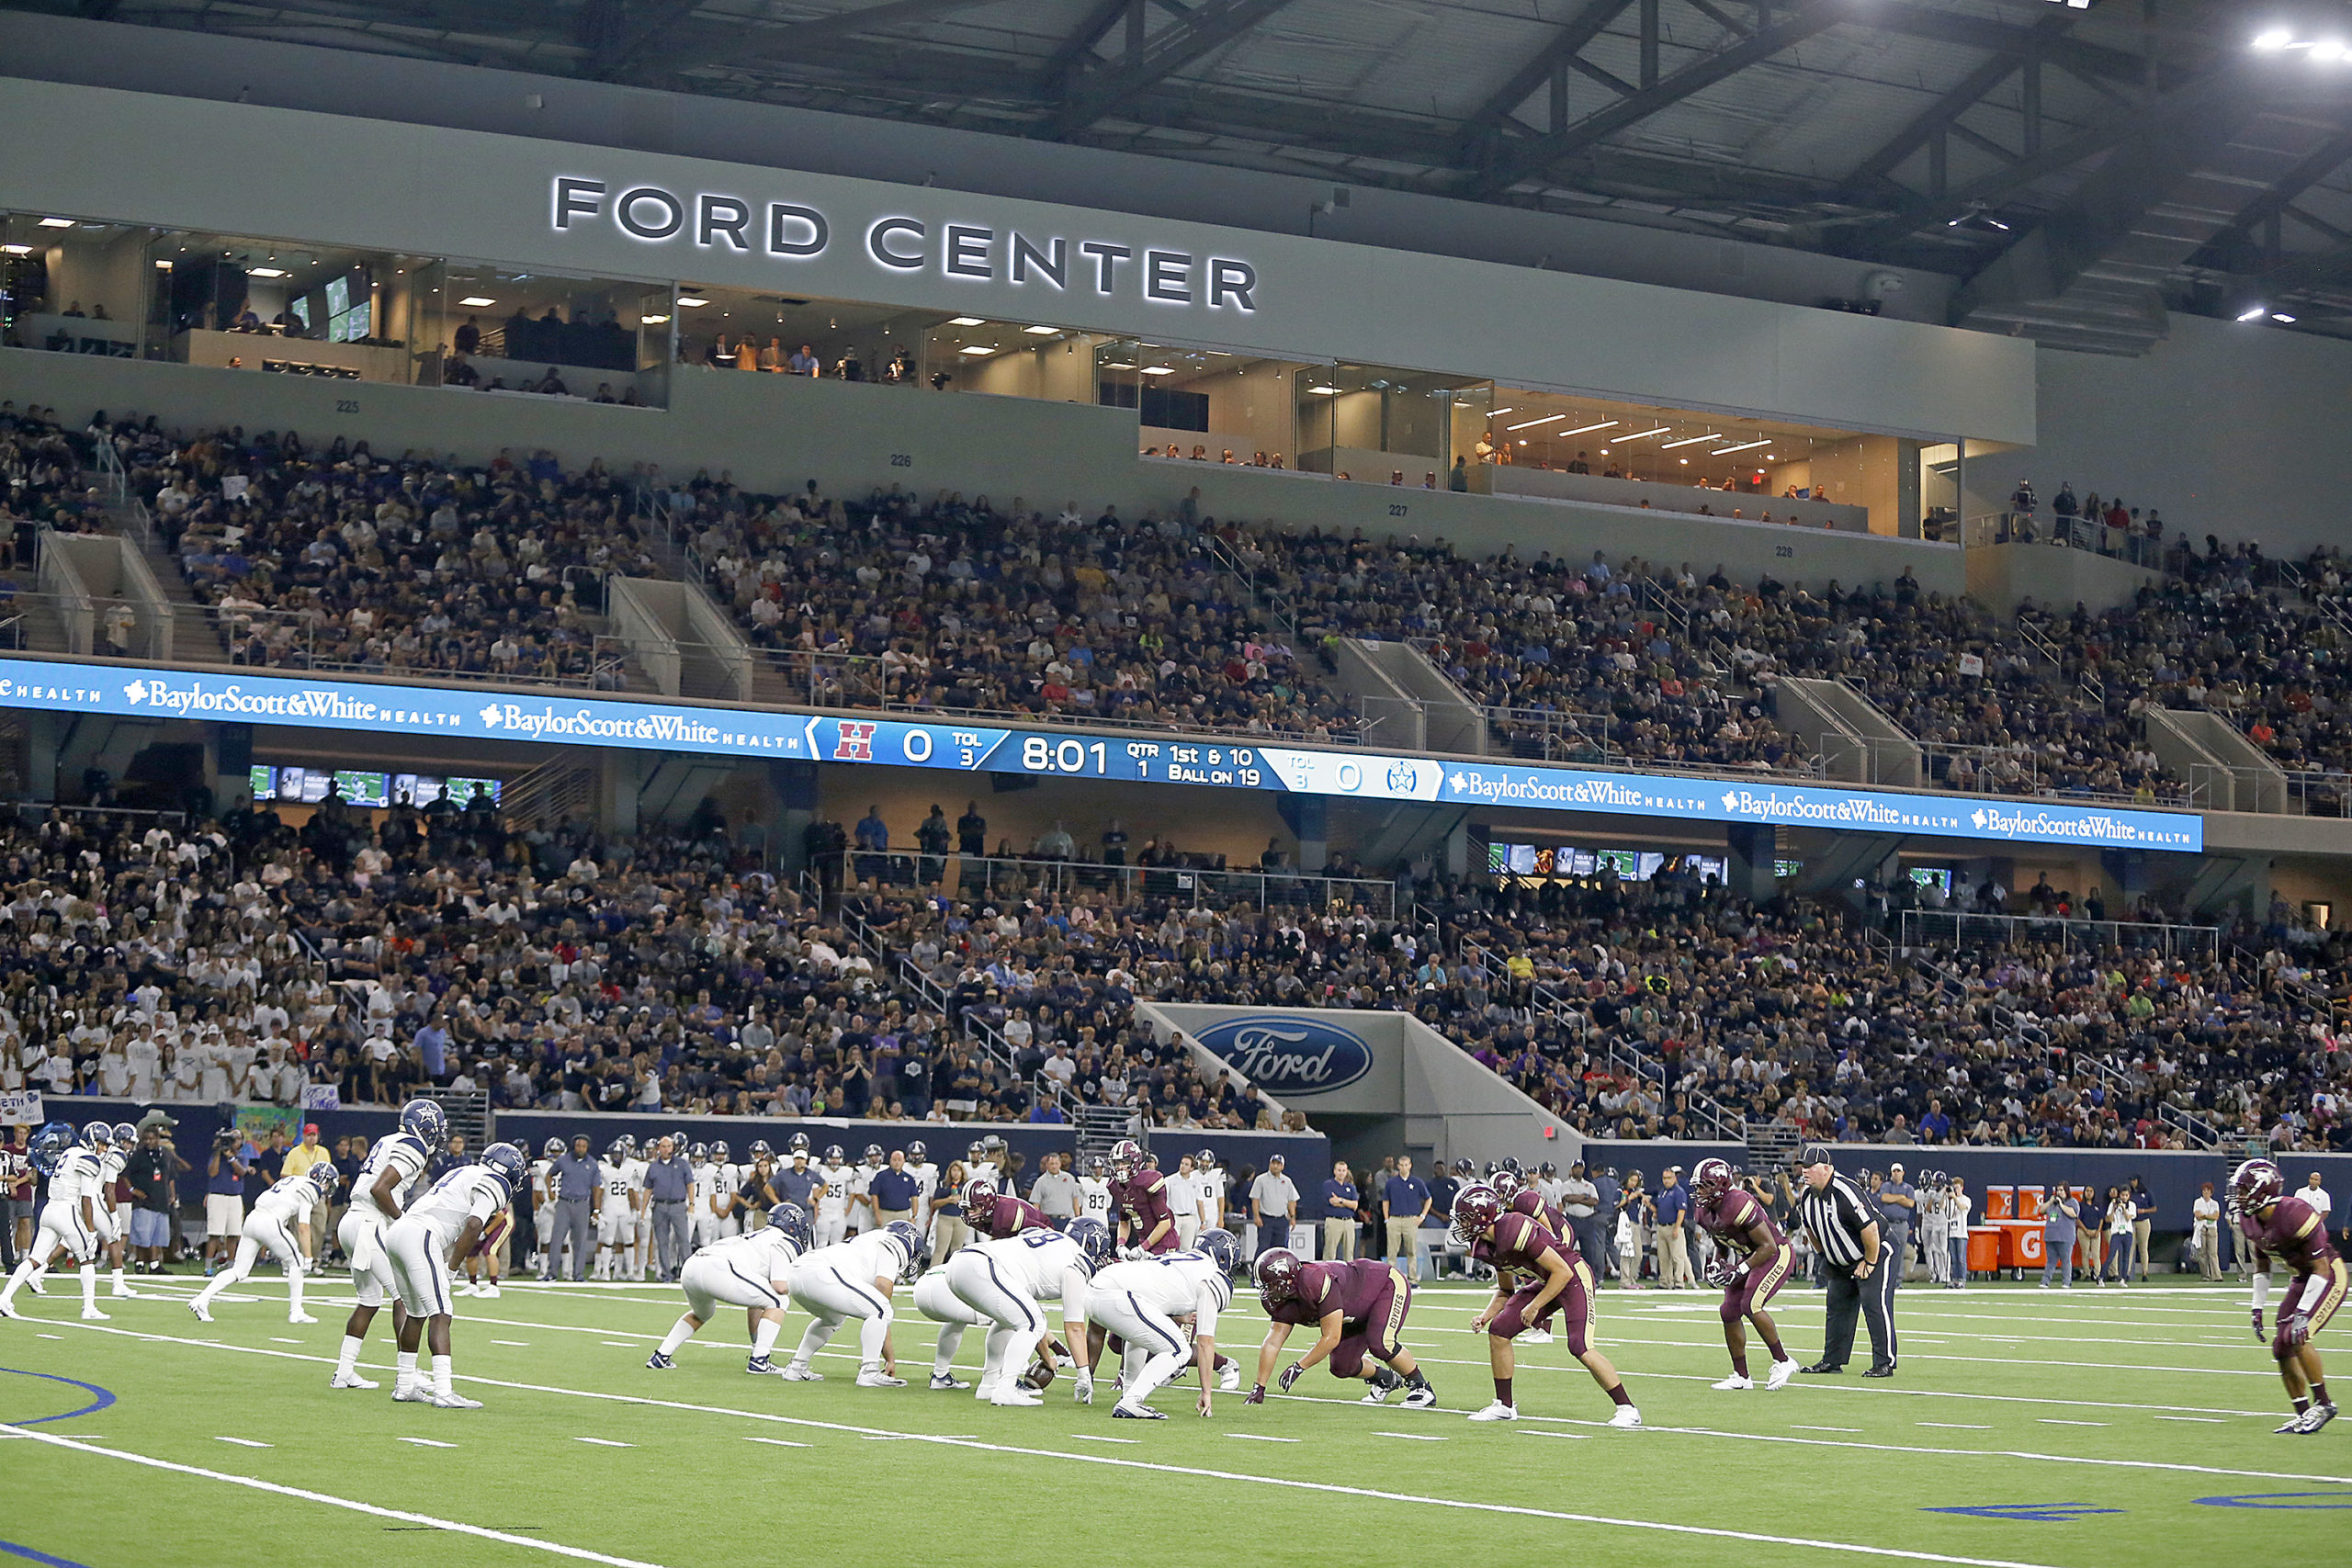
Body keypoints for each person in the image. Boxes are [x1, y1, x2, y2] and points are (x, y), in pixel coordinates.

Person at [1452, 1184, 1638, 1427]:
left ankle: (1627, 1408)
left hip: (1573, 1278)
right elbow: (1505, 1290)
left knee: (1579, 1346)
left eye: (1465, 1218)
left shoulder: (1515, 1227)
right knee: (1498, 1331)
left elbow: (1562, 1271)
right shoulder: (1486, 1246)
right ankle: (1504, 1406)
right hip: (1547, 1281)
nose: (1462, 1225)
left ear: (1484, 1216)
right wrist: (1485, 1316)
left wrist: (1534, 1306)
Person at [383, 1141, 526, 1409]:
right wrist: (452, 1267)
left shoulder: (463, 1171)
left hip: (399, 1232)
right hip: (421, 1235)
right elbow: (474, 1224)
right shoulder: (494, 1181)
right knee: (441, 1311)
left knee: (416, 1312)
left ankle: (404, 1386)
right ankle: (444, 1391)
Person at [330, 1100, 444, 1388]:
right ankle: (408, 1372)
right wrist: (401, 1219)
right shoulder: (413, 1146)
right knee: (406, 1297)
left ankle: (344, 1373)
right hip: (371, 1222)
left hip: (352, 1220)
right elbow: (380, 1189)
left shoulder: (388, 1139)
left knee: (368, 1300)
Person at [2233, 1157, 2346, 1434]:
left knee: (2297, 1334)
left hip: (2327, 1275)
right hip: (2301, 1276)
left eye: (2245, 1190)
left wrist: (2304, 1313)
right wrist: (2256, 1308)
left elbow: (2320, 1268)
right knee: (2280, 1346)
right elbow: (2261, 1264)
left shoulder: (2295, 1213)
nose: (2239, 1196)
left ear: (2263, 1190)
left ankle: (2324, 1404)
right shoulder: (2250, 1219)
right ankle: (2304, 1413)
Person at [944, 1216, 1110, 1406]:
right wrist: (1084, 1374)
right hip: (982, 1266)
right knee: (1034, 1323)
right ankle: (1006, 1388)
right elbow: (1074, 1327)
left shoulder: (1052, 1240)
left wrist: (1046, 1357)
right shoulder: (1077, 1260)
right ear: (1090, 1244)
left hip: (962, 1263)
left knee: (1011, 1321)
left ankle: (989, 1385)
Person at [1084, 1229, 1241, 1418]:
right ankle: (1131, 1400)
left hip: (1097, 1289)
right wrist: (1206, 1392)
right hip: (1118, 1295)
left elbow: (1157, 1292)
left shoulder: (1183, 1258)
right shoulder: (1213, 1276)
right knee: (1180, 1351)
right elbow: (1205, 1342)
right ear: (1224, 1258)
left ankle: (1129, 1394)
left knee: (1142, 1335)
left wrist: (1177, 1315)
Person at [1250, 1247, 1434, 1407]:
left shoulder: (1315, 1281)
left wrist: (1299, 1367)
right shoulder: (1279, 1301)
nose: (1267, 1292)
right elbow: (1273, 1342)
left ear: (1288, 1281)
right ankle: (1385, 1379)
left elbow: (1331, 1337)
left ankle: (1421, 1386)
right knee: (1342, 1366)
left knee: (1381, 1343)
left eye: (1271, 1286)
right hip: (1352, 1310)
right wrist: (1260, 1387)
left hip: (1384, 1284)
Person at [646, 1202, 812, 1374]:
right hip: (718, 1268)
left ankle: (660, 1356)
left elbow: (756, 1302)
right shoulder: (784, 1240)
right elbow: (779, 1286)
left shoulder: (759, 1236)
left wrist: (757, 1344)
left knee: (702, 1313)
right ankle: (760, 1361)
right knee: (779, 1300)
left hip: (693, 1265)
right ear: (792, 1226)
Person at [1692, 1159, 1799, 1390]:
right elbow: (1721, 1240)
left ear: (1721, 1184)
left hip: (1775, 1253)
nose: (1700, 1192)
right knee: (1728, 1311)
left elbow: (1768, 1246)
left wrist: (1738, 1270)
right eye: (1698, 1186)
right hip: (1751, 1256)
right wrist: (1717, 1264)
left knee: (1751, 1304)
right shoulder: (1704, 1210)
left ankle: (1783, 1360)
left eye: (1705, 1185)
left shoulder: (1738, 1203)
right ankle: (1741, 1376)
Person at [188, 1160, 334, 1324]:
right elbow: (303, 1226)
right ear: (323, 1179)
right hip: (269, 1221)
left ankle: (201, 1300)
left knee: (239, 1271)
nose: (327, 1189)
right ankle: (296, 1312)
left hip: (253, 1219)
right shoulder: (310, 1187)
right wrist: (309, 1257)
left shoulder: (292, 1180)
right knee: (298, 1263)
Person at [780, 1219, 922, 1387]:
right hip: (820, 1271)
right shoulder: (894, 1242)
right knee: (882, 1309)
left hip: (798, 1273)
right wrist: (890, 1358)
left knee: (834, 1318)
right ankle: (869, 1371)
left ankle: (797, 1366)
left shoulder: (871, 1239)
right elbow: (883, 1289)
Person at [1792, 1147, 1896, 1378]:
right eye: (1803, 1166)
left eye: (1811, 1166)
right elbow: (1810, 1229)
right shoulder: (1807, 1196)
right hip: (1841, 1260)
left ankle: (1884, 1362)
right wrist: (1825, 1257)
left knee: (1874, 1303)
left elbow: (1871, 1229)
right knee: (1836, 1305)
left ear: (1827, 1169)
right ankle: (1832, 1360)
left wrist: (1869, 1262)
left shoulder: (1845, 1191)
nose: (1805, 1171)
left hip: (1875, 1250)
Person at [0, 1123, 108, 1321]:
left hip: (49, 1209)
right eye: (101, 1144)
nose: (104, 1149)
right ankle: (89, 1307)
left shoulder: (70, 1152)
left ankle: (4, 1298)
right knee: (87, 1258)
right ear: (92, 1140)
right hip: (66, 1210)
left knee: (35, 1259)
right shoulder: (87, 1158)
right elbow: (86, 1198)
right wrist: (91, 1231)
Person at [1109, 1138, 1180, 1254]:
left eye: (1125, 1162)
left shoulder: (1148, 1182)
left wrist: (1143, 1247)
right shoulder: (1115, 1186)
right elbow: (1124, 1221)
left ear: (1135, 1162)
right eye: (1117, 1163)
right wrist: (1120, 1244)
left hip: (1164, 1243)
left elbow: (1165, 1223)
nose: (1120, 1167)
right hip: (1144, 1242)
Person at [544, 1133, 597, 1281]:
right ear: (574, 1146)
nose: (581, 1148)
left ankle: (578, 1274)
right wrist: (550, 1191)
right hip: (564, 1203)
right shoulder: (563, 1160)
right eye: (579, 1145)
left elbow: (596, 1187)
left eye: (584, 1146)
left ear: (587, 1148)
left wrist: (597, 1208)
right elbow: (549, 1175)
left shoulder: (592, 1164)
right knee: (557, 1239)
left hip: (582, 1203)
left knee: (580, 1241)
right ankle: (552, 1272)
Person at [644, 1135, 693, 1282]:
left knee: (683, 1240)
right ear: (659, 1148)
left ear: (673, 1148)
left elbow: (690, 1184)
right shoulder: (653, 1166)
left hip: (678, 1204)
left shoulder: (682, 1164)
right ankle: (666, 1274)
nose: (666, 1149)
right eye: (663, 1146)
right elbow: (648, 1188)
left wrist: (692, 1204)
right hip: (659, 1205)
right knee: (662, 1241)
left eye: (669, 1146)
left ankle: (688, 1274)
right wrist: (643, 1210)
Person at [282, 1122, 333, 1264]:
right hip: (299, 1196)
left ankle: (314, 1260)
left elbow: (328, 1175)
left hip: (317, 1197)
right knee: (299, 1229)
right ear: (303, 1136)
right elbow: (285, 1174)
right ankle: (297, 1260)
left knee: (320, 1229)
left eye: (314, 1135)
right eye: (309, 1135)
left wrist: (327, 1197)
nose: (311, 1138)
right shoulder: (295, 1152)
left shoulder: (323, 1152)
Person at [1383, 1156, 1430, 1282]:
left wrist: (1422, 1216)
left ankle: (1413, 1279)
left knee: (1411, 1250)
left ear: (1410, 1166)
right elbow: (1385, 1201)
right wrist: (1387, 1219)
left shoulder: (1417, 1182)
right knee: (1392, 1251)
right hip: (1395, 1219)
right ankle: (1390, 1280)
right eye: (1401, 1165)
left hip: (1411, 1219)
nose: (1404, 1168)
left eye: (1406, 1165)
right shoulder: (1391, 1182)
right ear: (1398, 1166)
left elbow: (1428, 1199)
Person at [1654, 1165, 1696, 1290]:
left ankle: (1679, 1282)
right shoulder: (1662, 1192)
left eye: (1669, 1178)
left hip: (1673, 1227)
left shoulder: (1679, 1192)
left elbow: (1681, 1210)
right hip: (1661, 1227)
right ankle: (1665, 1282)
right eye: (1664, 1178)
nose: (1666, 1180)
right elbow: (1659, 1209)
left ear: (1674, 1178)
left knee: (1677, 1257)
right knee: (1663, 1257)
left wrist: (1677, 1227)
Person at [1250, 1154, 1299, 1259]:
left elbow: (1291, 1200)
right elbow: (1255, 1199)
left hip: (1281, 1219)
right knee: (1263, 1248)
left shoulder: (1287, 1181)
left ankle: (1279, 1275)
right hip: (1266, 1219)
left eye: (1278, 1164)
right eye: (1273, 1163)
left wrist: (1293, 1217)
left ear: (1282, 1166)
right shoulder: (1261, 1179)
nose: (1275, 1166)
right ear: (1270, 1164)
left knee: (1281, 1250)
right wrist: (1256, 1216)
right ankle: (1257, 1274)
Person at [1876, 1163, 1917, 1282]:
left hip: (1902, 1224)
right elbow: (1884, 1198)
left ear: (1903, 1173)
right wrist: (1901, 1198)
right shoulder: (1886, 1186)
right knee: (1885, 1250)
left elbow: (1910, 1203)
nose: (1896, 1173)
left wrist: (1894, 1198)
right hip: (1887, 1223)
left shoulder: (1908, 1188)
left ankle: (1897, 1280)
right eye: (1894, 1171)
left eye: (1898, 1171)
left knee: (1900, 1252)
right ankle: (1885, 1278)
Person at [2041, 1185, 2081, 1290]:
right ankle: (2045, 1281)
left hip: (2065, 1237)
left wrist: (2061, 1205)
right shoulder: (2052, 1203)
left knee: (2065, 1260)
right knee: (2050, 1261)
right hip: (2051, 1236)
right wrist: (2050, 1202)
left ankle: (2067, 1282)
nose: (2059, 1192)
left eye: (2061, 1190)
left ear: (2066, 1191)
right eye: (2057, 1190)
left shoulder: (2072, 1202)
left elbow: (2074, 1214)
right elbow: (2041, 1210)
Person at [1320, 1161, 1359, 1262]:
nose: (1341, 1173)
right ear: (1334, 1171)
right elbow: (1333, 1202)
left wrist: (1341, 1200)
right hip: (1334, 1220)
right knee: (1330, 1251)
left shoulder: (1350, 1187)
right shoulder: (1329, 1184)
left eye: (1343, 1171)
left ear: (1346, 1172)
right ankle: (1328, 1274)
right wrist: (1348, 1204)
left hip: (1349, 1221)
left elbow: (1355, 1205)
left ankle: (1349, 1276)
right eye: (1339, 1170)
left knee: (1349, 1252)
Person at [2100, 1184, 2137, 1287]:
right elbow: (2109, 1219)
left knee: (2126, 1256)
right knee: (2111, 1255)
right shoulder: (2113, 1204)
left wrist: (2124, 1208)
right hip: (2116, 1232)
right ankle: (2101, 1277)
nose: (2124, 1197)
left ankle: (2123, 1278)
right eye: (2122, 1195)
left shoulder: (2132, 1205)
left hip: (2127, 1232)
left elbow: (2129, 1217)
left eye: (2126, 1195)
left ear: (2129, 1195)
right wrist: (2114, 1208)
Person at [2193, 1182, 2224, 1282]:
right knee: (2202, 1253)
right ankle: (2205, 1275)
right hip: (2201, 1228)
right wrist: (2208, 1216)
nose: (2206, 1193)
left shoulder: (2215, 1203)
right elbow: (2198, 1215)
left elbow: (2216, 1217)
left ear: (2211, 1192)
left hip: (2212, 1228)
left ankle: (2217, 1276)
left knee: (2213, 1253)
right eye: (2204, 1191)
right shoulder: (2198, 1202)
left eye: (2208, 1191)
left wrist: (2205, 1216)